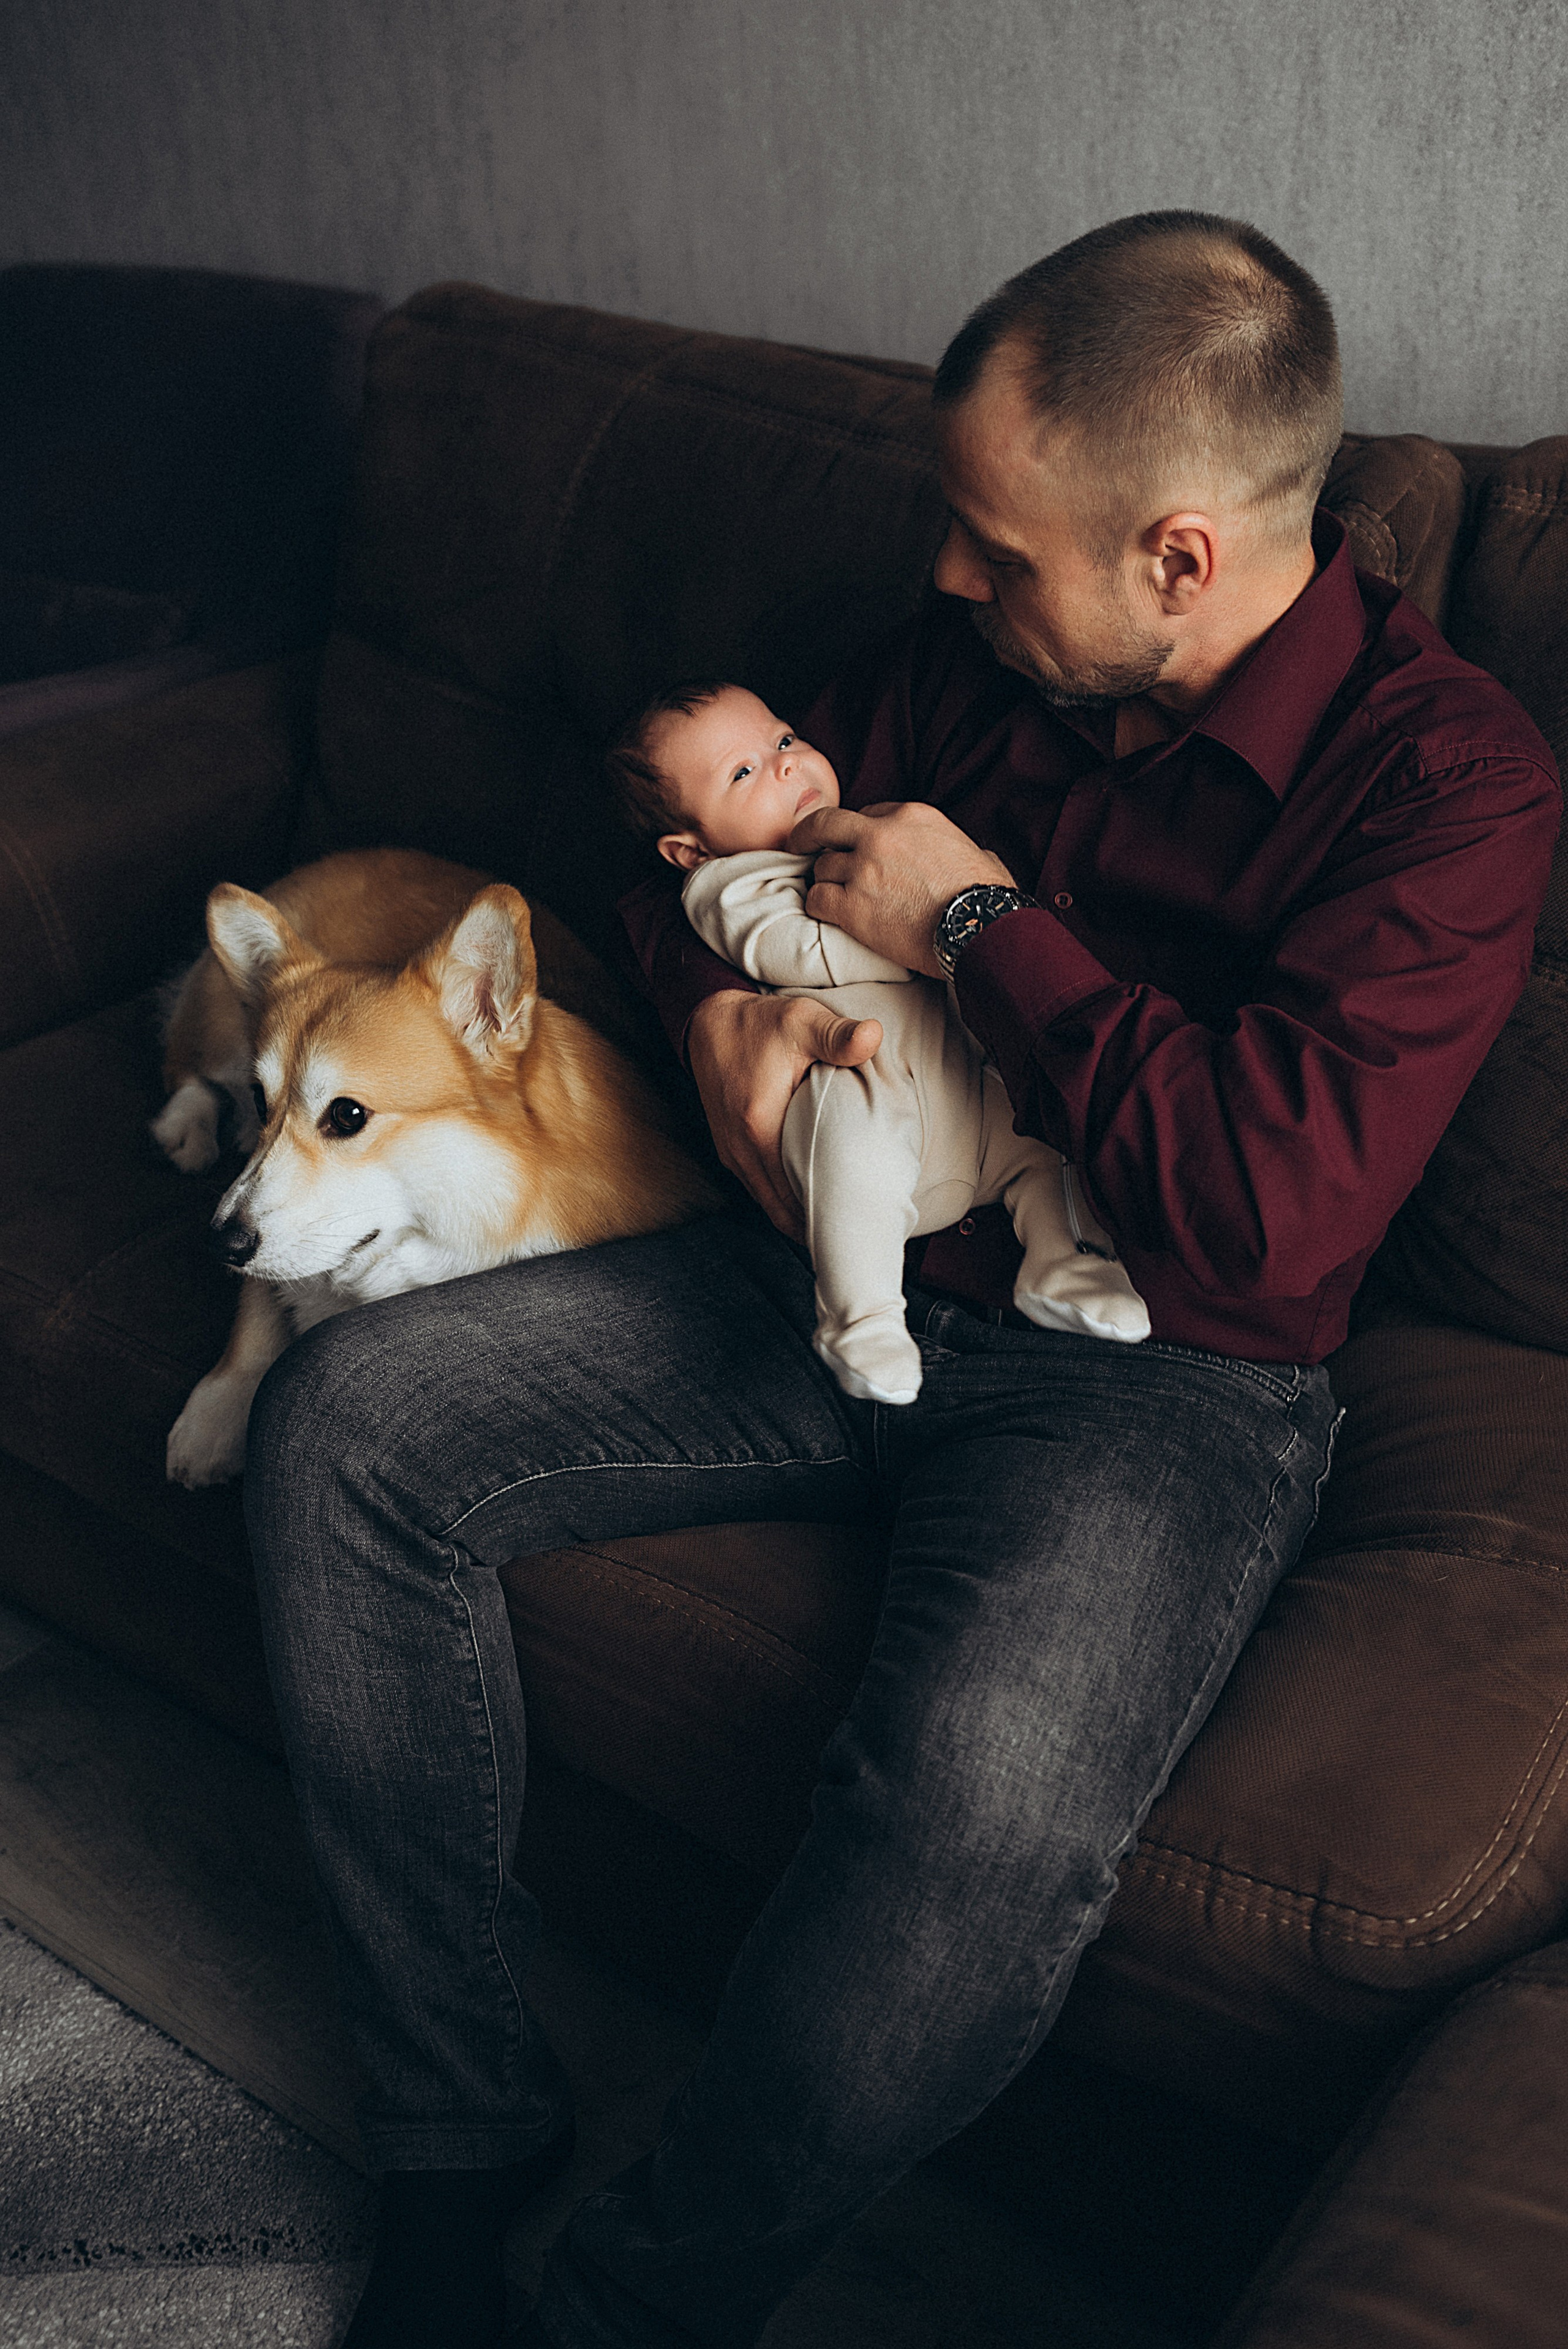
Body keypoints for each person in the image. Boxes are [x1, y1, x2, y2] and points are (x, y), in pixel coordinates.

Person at [244, 211, 1559, 2349]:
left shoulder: (1452, 783)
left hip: (1158, 1372)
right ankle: (452, 2119)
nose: (946, 582)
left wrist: (985, 923)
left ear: (1181, 559)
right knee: (348, 1431)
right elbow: (690, 865)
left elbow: (1267, 1220)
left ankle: (634, 2305)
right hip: (807, 1268)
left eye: (993, 547)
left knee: (968, 1814)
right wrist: (710, 1022)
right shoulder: (972, 664)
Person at [605, 677, 1150, 1406]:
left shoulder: (858, 831)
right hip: (867, 1086)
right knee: (850, 1157)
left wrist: (972, 908)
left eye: (785, 739)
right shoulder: (730, 886)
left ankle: (1064, 1261)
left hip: (963, 1092)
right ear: (689, 850)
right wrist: (957, 933)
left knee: (1039, 1136)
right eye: (744, 773)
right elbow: (795, 951)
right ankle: (861, 1318)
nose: (787, 766)